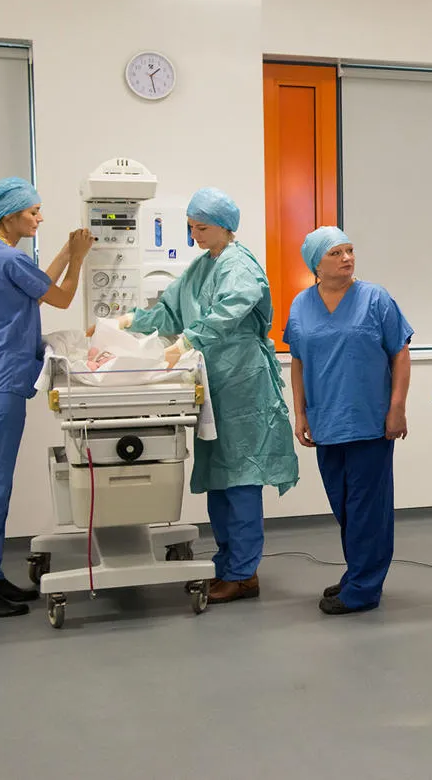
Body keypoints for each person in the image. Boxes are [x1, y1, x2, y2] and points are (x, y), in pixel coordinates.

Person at [117, 187, 297, 603]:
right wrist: (129, 321)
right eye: (191, 227)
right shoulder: (202, 266)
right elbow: (170, 311)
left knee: (242, 478)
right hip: (214, 383)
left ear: (224, 226)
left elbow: (228, 312)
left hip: (243, 383)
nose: (194, 235)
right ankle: (226, 564)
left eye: (201, 228)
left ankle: (244, 574)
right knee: (220, 478)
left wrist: (188, 340)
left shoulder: (240, 265)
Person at [0, 178, 93, 619]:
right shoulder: (8, 258)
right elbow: (61, 296)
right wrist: (79, 259)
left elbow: (37, 286)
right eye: (33, 212)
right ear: (10, 215)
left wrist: (67, 251)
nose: (40, 218)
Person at [286, 227, 412, 615]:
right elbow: (298, 361)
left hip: (369, 419)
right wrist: (300, 412)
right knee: (343, 503)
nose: (347, 258)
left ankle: (363, 589)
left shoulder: (376, 298)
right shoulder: (301, 304)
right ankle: (358, 571)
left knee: (367, 507)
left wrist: (397, 408)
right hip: (326, 419)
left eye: (350, 250)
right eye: (336, 253)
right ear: (316, 264)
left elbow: (400, 353)